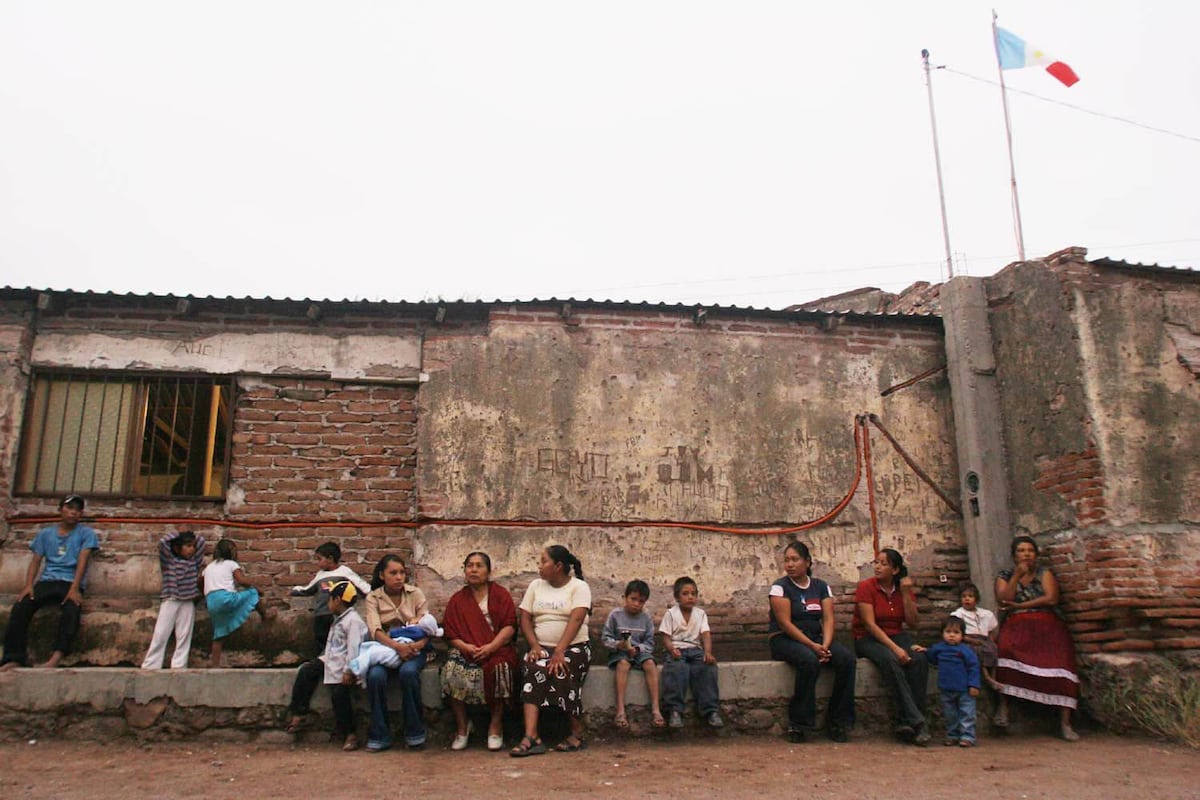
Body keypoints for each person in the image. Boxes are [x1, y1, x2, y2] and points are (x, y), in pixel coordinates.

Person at [994, 535, 1080, 741]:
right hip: (1017, 623)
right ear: (1014, 556)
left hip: (1046, 624)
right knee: (1004, 651)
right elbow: (1005, 599)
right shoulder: (1005, 575)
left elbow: (1051, 598)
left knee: (1062, 662)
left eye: (1030, 550)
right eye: (1021, 551)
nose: (1026, 554)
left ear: (1036, 554)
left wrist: (1022, 605)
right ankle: (1003, 708)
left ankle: (1065, 722)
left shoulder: (1044, 573)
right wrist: (1016, 577)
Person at [768, 540, 856, 743]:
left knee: (847, 660)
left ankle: (838, 722)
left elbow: (828, 618)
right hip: (785, 639)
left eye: (795, 559)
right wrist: (813, 647)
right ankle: (799, 724)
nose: (790, 564)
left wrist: (825, 645)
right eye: (786, 560)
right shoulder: (779, 588)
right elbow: (784, 623)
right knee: (808, 661)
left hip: (816, 638)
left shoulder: (820, 587)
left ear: (807, 562)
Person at [510, 544, 592, 757]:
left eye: (544, 561)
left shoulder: (579, 587)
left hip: (574, 647)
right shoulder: (536, 586)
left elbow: (577, 619)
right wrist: (535, 645)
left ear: (558, 566)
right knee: (532, 666)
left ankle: (577, 732)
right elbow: (525, 618)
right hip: (542, 647)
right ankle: (532, 736)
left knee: (561, 667)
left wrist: (560, 650)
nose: (539, 566)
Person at [1, 495, 99, 670]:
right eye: (69, 508)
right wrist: (28, 585)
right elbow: (36, 561)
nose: (73, 513)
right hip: (47, 580)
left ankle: (56, 657)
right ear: (61, 510)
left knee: (72, 609)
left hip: (70, 582)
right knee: (21, 606)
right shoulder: (46, 534)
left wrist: (75, 588)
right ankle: (13, 658)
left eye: (77, 510)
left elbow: (83, 562)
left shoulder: (86, 534)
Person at [441, 551, 519, 752]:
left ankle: (495, 725)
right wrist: (466, 647)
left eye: (479, 565)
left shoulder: (500, 595)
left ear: (489, 571)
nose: (474, 569)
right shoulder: (458, 600)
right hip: (467, 649)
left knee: (501, 668)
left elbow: (509, 626)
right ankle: (462, 727)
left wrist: (491, 647)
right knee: (451, 669)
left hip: (496, 647)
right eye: (470, 565)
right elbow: (450, 633)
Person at [852, 548, 930, 745]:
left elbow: (913, 623)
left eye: (883, 563)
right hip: (868, 638)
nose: (877, 567)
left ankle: (906, 721)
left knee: (919, 659)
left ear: (895, 570)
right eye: (876, 563)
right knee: (891, 660)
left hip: (897, 634)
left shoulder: (902, 589)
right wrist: (895, 649)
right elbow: (869, 625)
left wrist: (905, 593)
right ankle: (919, 721)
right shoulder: (866, 587)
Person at [286, 579, 368, 751]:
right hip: (330, 660)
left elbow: (353, 648)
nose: (328, 602)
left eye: (330, 598)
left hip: (343, 666)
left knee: (339, 696)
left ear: (337, 600)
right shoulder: (339, 619)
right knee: (307, 671)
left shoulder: (353, 621)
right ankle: (300, 712)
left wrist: (348, 671)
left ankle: (350, 734)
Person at [363, 554, 431, 752]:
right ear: (382, 575)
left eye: (402, 573)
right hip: (385, 648)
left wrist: (414, 647)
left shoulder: (415, 594)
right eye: (393, 573)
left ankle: (415, 733)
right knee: (375, 676)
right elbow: (375, 630)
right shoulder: (373, 597)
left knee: (408, 673)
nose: (399, 577)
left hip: (414, 648)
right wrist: (396, 647)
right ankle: (380, 734)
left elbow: (428, 627)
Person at [659, 576, 723, 731]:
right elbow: (666, 637)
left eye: (693, 594)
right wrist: (671, 649)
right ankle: (675, 711)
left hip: (695, 650)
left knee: (707, 668)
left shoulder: (700, 614)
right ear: (677, 597)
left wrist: (707, 652)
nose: (690, 597)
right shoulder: (671, 614)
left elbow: (706, 634)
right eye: (685, 594)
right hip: (677, 650)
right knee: (676, 670)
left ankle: (711, 711)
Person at [601, 579, 665, 730]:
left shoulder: (646, 618)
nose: (637, 604)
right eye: (633, 599)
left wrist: (638, 648)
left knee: (650, 664)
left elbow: (649, 643)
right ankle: (620, 711)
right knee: (623, 664)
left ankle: (656, 709)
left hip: (639, 652)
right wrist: (618, 645)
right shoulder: (615, 615)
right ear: (625, 598)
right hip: (620, 652)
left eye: (641, 601)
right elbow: (605, 638)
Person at [289, 542, 370, 655]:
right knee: (321, 639)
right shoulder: (320, 575)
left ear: (330, 558)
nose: (318, 563)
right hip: (321, 614)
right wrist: (296, 591)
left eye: (319, 559)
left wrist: (371, 594)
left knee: (337, 640)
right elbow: (309, 588)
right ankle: (322, 664)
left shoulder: (345, 573)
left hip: (337, 615)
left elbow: (361, 586)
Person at [141, 530, 207, 669]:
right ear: (178, 548)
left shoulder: (194, 561)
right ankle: (151, 664)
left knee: (184, 634)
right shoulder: (169, 560)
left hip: (188, 600)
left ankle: (179, 664)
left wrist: (190, 534)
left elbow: (201, 542)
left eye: (192, 546)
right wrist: (178, 533)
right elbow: (163, 543)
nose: (192, 549)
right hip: (171, 599)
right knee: (161, 632)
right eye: (188, 546)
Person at [203, 539, 273, 667]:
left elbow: (200, 581)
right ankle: (265, 614)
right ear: (232, 552)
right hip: (225, 598)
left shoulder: (209, 567)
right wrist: (256, 587)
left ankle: (215, 665)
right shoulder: (231, 564)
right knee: (252, 593)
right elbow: (241, 580)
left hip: (211, 602)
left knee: (218, 633)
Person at [914, 616, 981, 747]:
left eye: (956, 633)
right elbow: (931, 657)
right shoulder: (939, 648)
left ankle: (968, 736)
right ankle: (952, 735)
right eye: (948, 632)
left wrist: (974, 685)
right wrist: (923, 650)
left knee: (967, 713)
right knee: (950, 714)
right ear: (942, 633)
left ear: (963, 635)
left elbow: (973, 667)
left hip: (964, 690)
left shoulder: (966, 651)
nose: (952, 635)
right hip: (946, 688)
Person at [951, 582, 1000, 689]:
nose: (967, 599)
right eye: (963, 597)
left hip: (984, 640)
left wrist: (989, 641)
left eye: (970, 596)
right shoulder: (958, 614)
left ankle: (993, 676)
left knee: (993, 649)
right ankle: (987, 678)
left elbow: (992, 630)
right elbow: (955, 633)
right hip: (968, 640)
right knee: (977, 651)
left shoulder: (986, 614)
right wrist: (971, 640)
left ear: (976, 599)